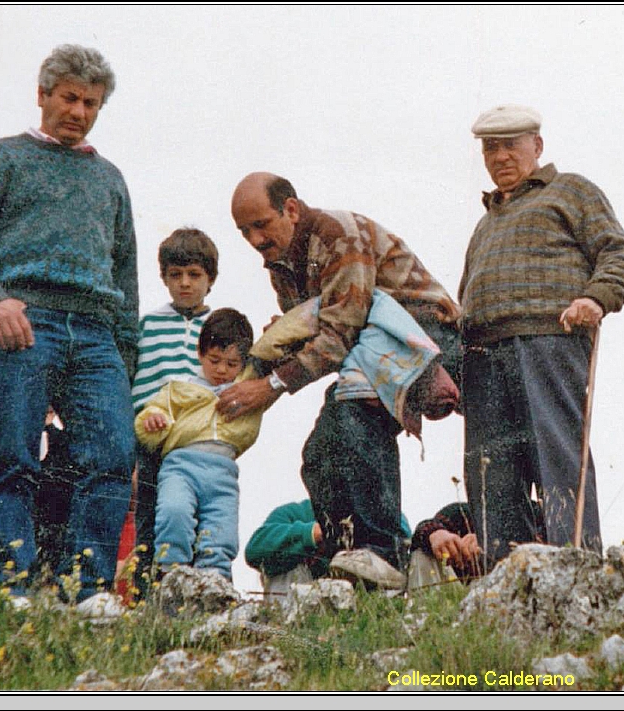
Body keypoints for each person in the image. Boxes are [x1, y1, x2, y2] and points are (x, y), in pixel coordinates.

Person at [0, 45, 138, 609]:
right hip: (22, 323)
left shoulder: (110, 179)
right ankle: (9, 588)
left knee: (111, 459)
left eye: (91, 103)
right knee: (13, 457)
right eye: (70, 97)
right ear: (44, 94)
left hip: (97, 333)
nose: (78, 111)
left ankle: (88, 589)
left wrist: (126, 357)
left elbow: (125, 273)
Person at [221, 172, 461, 590]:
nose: (256, 239)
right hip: (367, 352)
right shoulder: (281, 266)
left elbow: (339, 332)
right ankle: (347, 557)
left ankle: (382, 550)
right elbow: (317, 339)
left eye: (262, 224)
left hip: (423, 334)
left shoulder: (337, 235)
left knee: (355, 415)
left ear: (291, 209)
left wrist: (269, 386)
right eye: (245, 231)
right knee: (319, 453)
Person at [459, 104, 624, 568]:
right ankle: (505, 572)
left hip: (548, 340)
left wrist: (596, 300)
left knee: (557, 457)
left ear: (537, 146)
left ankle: (576, 563)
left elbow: (619, 253)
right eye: (490, 147)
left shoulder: (571, 190)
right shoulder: (486, 222)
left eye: (511, 144)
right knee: (491, 474)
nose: (500, 156)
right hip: (484, 355)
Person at [129, 228, 220, 596]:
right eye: (175, 275)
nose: (185, 283)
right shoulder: (148, 324)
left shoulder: (218, 329)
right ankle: (147, 595)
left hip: (198, 443)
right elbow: (134, 379)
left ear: (210, 279)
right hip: (152, 439)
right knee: (149, 517)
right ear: (164, 277)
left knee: (200, 518)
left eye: (194, 275)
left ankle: (202, 593)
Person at [137, 309, 258, 581]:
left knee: (221, 530)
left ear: (243, 364)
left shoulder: (246, 391)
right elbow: (152, 413)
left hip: (223, 473)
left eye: (232, 363)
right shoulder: (181, 388)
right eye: (214, 360)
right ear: (200, 353)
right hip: (181, 466)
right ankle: (171, 573)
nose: (222, 370)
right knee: (173, 511)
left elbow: (271, 357)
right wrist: (153, 421)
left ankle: (215, 581)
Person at [243, 500, 414, 596]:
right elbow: (255, 551)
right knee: (281, 564)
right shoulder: (294, 513)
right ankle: (286, 632)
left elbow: (401, 545)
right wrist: (311, 533)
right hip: (302, 606)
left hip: (364, 609)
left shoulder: (385, 510)